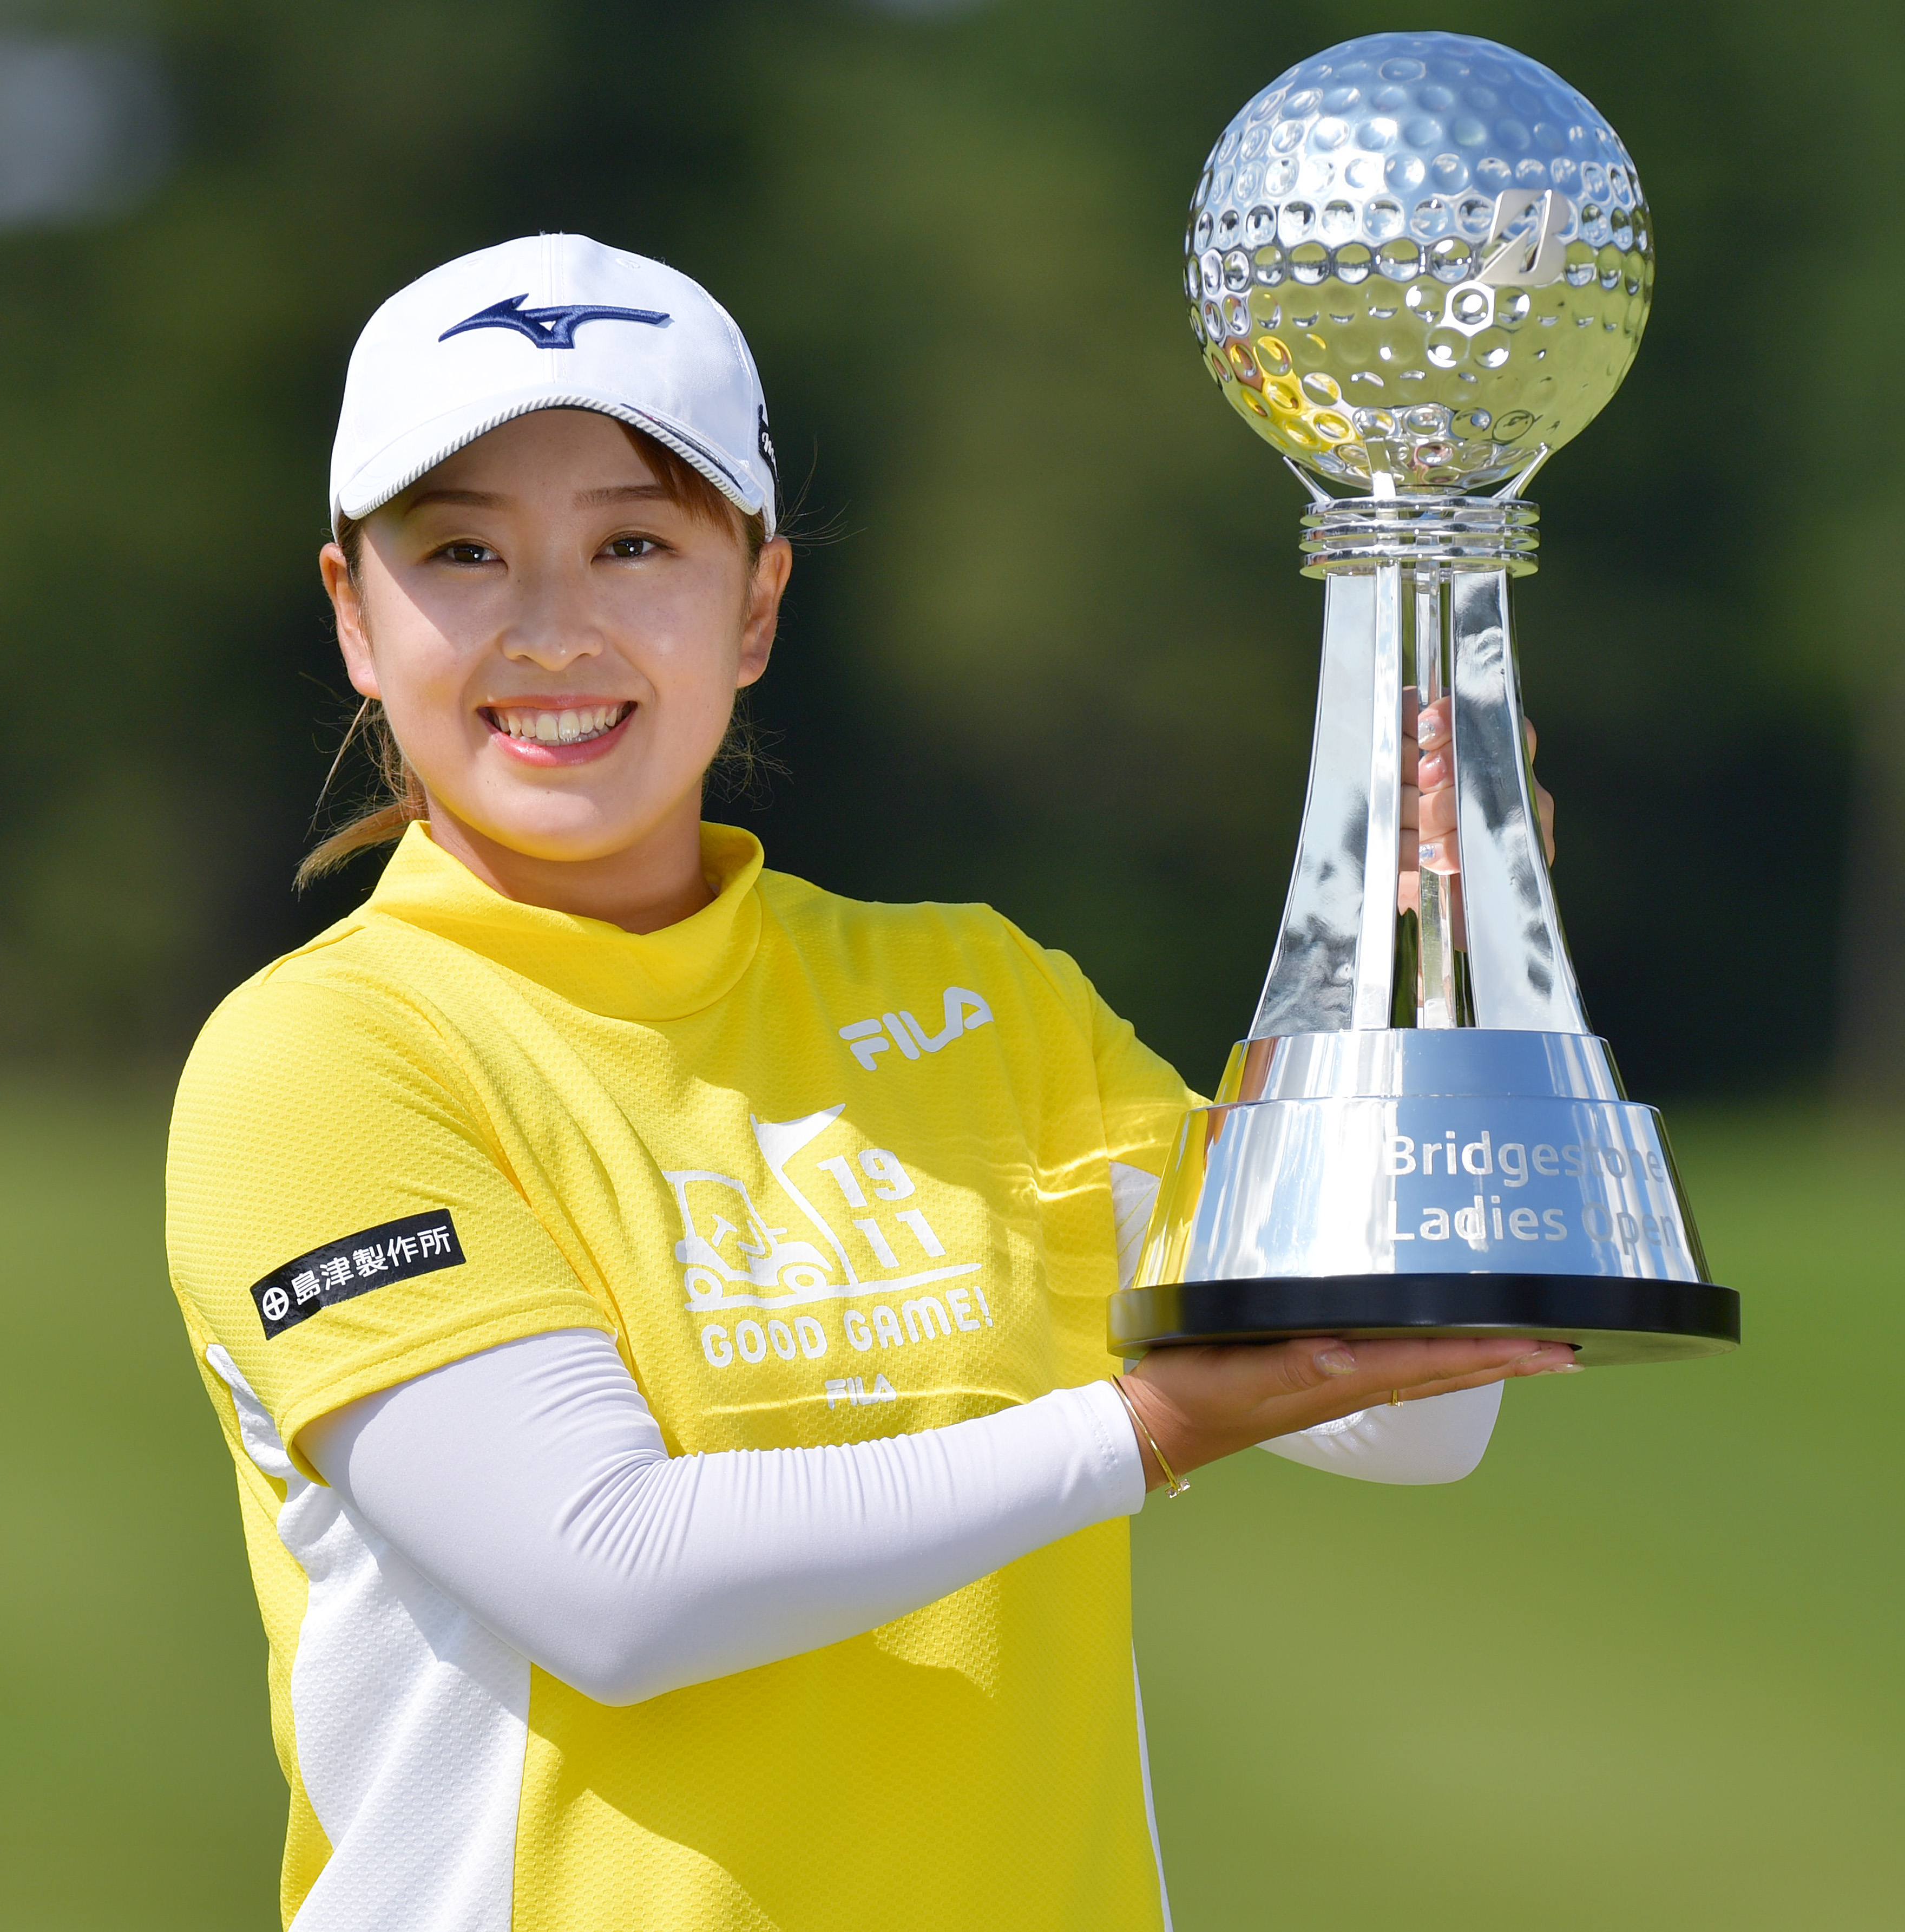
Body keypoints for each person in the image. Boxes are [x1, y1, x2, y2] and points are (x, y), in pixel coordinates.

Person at [163, 233, 1575, 1932]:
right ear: (355, 618)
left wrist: (1431, 969)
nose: (549, 629)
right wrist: (1141, 1431)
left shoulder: (978, 996)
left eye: (633, 541)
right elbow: (608, 1577)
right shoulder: (325, 1057)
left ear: (755, 605)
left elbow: (1414, 1409)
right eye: (463, 551)